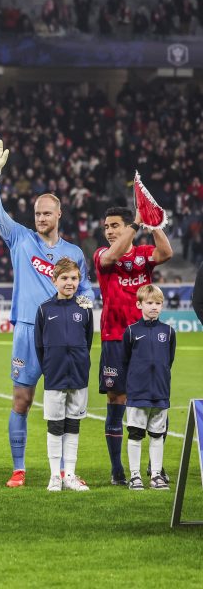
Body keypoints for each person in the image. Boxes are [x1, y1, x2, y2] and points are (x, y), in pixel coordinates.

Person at [0, 138, 94, 488]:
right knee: (22, 399)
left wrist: (87, 301)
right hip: (28, 329)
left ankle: (64, 471)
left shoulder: (74, 251)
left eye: (47, 213)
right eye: (37, 214)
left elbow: (85, 288)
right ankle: (19, 469)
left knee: (66, 404)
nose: (41, 218)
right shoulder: (20, 239)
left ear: (59, 214)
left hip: (63, 334)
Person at [94, 206, 172, 485]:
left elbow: (166, 253)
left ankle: (156, 468)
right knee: (117, 400)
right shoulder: (102, 255)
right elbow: (113, 256)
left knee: (154, 399)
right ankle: (117, 470)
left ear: (127, 227)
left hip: (146, 339)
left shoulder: (142, 255)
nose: (110, 231)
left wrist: (153, 224)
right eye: (107, 227)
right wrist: (136, 224)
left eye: (115, 225)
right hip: (114, 337)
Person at [34, 258, 93, 492]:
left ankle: (69, 475)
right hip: (55, 376)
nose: (70, 283)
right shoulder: (44, 309)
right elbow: (39, 345)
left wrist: (80, 362)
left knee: (73, 425)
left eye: (74, 278)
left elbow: (87, 341)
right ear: (54, 280)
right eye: (65, 278)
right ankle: (54, 476)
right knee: (55, 426)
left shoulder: (85, 308)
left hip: (78, 375)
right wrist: (49, 367)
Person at [122, 284, 176, 491]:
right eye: (150, 303)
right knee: (135, 434)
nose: (154, 307)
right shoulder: (131, 331)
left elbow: (168, 361)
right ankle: (134, 476)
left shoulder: (169, 332)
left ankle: (155, 475)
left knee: (157, 435)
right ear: (139, 304)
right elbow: (126, 360)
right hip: (137, 393)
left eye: (158, 303)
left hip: (160, 393)